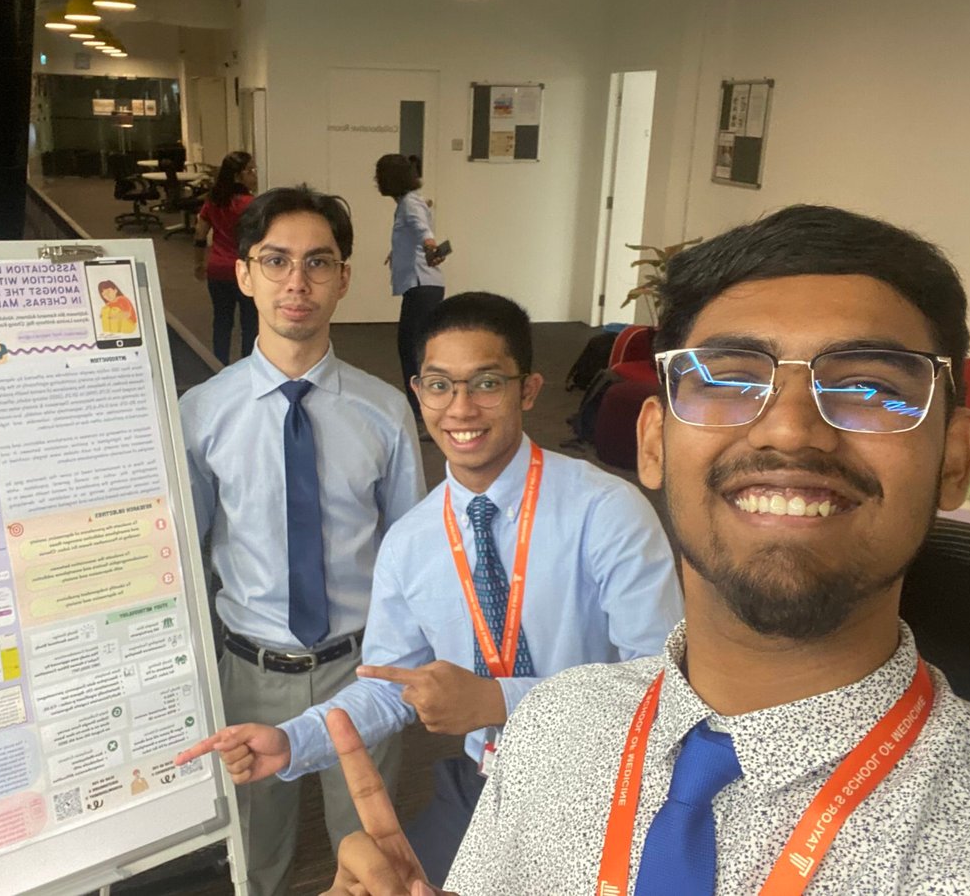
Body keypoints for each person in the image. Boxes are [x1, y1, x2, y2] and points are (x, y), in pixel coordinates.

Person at [318, 205, 970, 895]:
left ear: (954, 459)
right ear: (654, 443)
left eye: (868, 386)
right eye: (728, 378)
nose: (789, 429)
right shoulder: (554, 725)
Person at [176, 292, 683, 885]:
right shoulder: (412, 541)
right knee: (384, 884)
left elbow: (663, 682)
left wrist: (498, 701)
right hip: (484, 782)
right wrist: (292, 741)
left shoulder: (605, 512)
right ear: (419, 394)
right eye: (440, 386)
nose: (460, 408)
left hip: (606, 779)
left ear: (528, 390)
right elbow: (389, 686)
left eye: (486, 383)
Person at [179, 184, 426, 896]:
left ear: (343, 279)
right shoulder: (203, 413)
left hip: (362, 670)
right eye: (276, 260)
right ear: (243, 274)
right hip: (249, 671)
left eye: (318, 263)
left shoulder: (384, 412)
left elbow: (410, 559)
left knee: (371, 852)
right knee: (255, 859)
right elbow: (188, 556)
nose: (297, 282)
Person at [375, 153, 446, 425]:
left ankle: (423, 413)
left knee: (412, 351)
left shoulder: (409, 203)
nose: (376, 180)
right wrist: (397, 252)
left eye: (379, 175)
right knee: (416, 350)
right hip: (424, 287)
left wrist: (430, 245)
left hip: (422, 286)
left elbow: (420, 227)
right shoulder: (409, 201)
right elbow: (412, 232)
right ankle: (426, 410)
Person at [195, 151, 260, 363]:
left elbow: (200, 234)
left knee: (222, 322)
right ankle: (247, 367)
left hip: (218, 270)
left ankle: (218, 365)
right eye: (250, 171)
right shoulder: (252, 205)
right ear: (237, 176)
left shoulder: (213, 201)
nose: (254, 175)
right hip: (246, 272)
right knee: (250, 324)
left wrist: (199, 263)